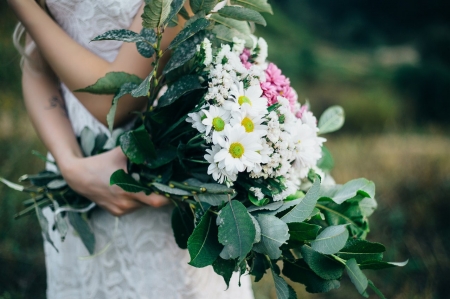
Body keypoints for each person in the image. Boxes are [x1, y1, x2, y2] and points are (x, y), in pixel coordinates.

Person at [8, 0, 255, 298]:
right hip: (74, 180)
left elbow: (117, 99)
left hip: (152, 170)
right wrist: (69, 164)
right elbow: (36, 60)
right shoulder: (71, 168)